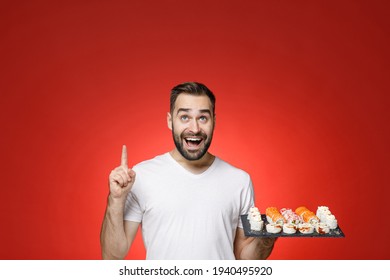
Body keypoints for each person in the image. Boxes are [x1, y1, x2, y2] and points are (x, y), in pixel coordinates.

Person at [100, 82, 276, 260]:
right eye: (184, 117)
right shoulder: (141, 176)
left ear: (214, 121)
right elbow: (112, 256)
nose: (194, 128)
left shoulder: (239, 180)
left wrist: (270, 234)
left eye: (203, 118)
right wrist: (115, 200)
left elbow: (244, 258)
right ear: (170, 121)